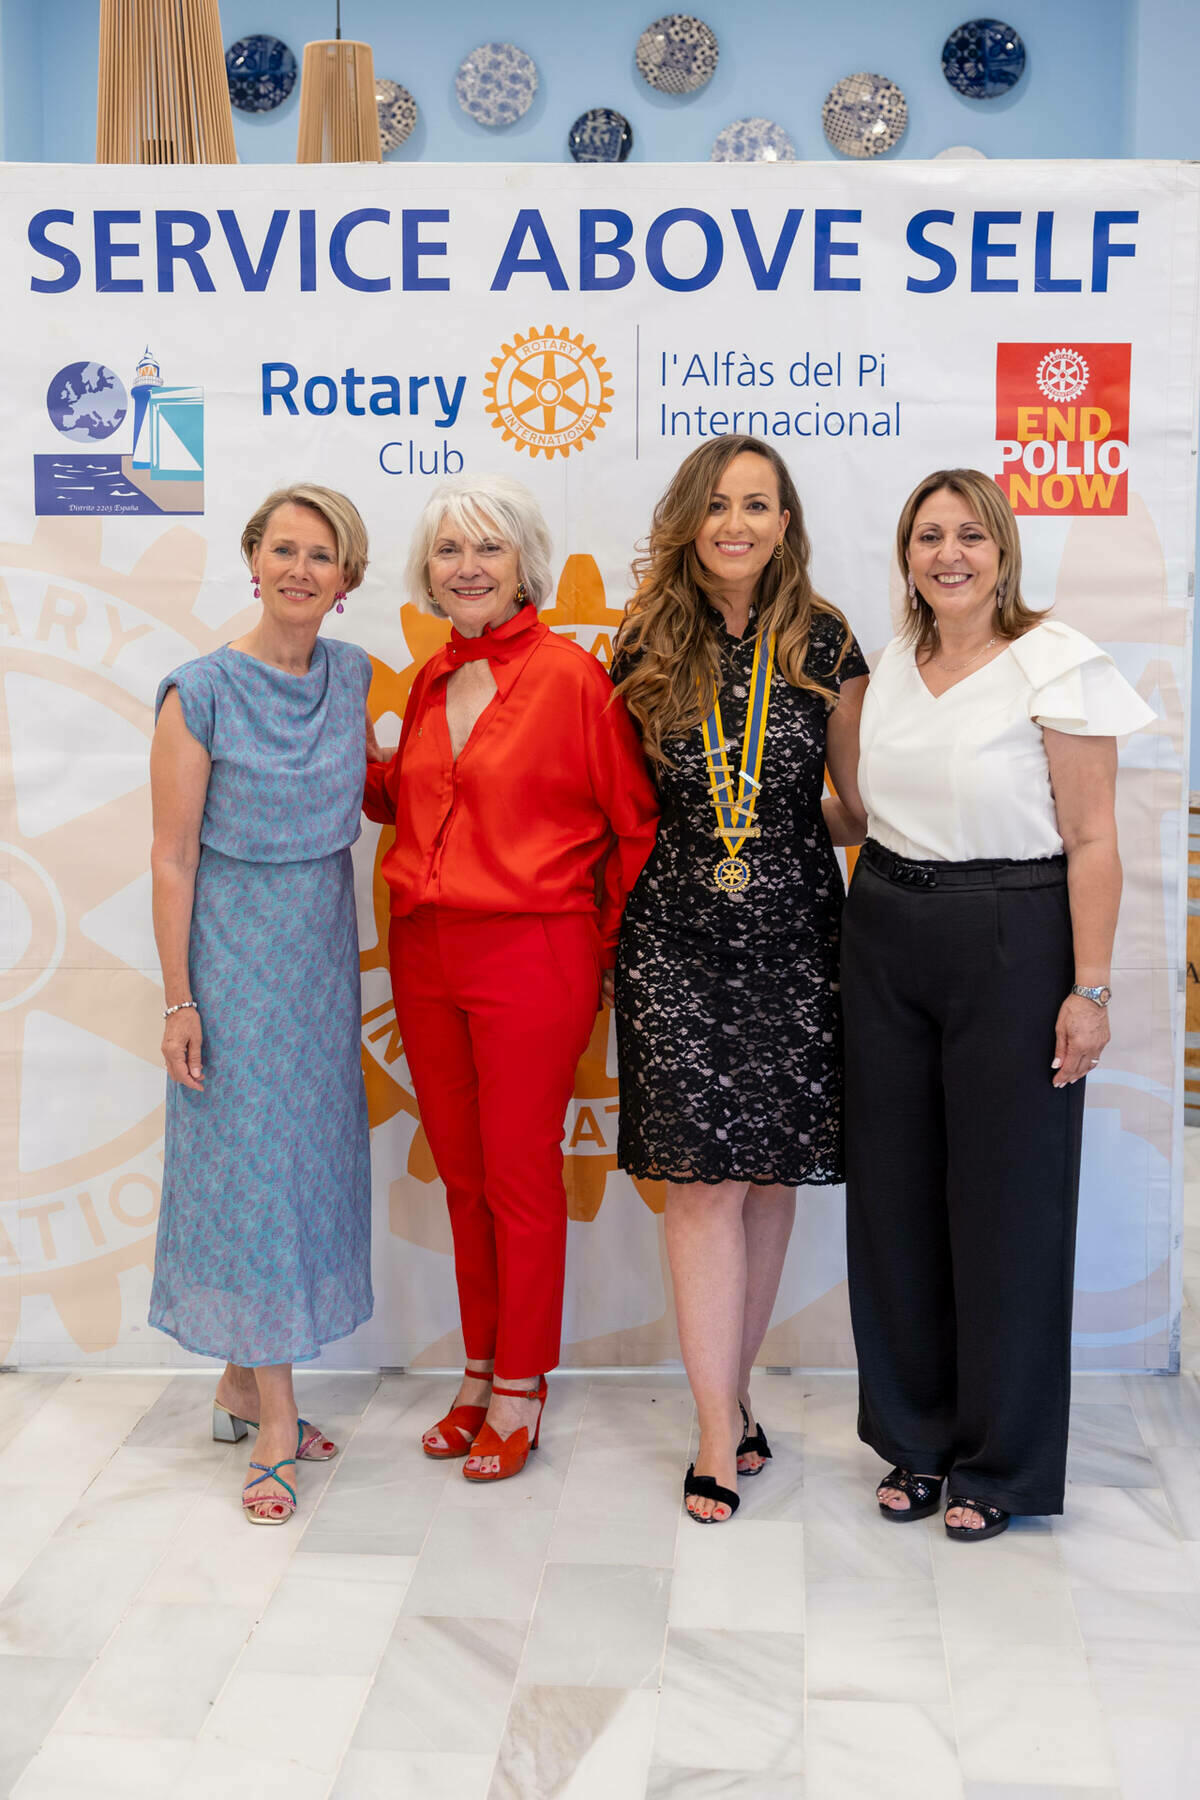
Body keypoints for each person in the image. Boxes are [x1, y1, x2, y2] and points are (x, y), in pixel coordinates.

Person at [842, 467, 1156, 1542]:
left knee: (1009, 1211)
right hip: (884, 931)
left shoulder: (1056, 661)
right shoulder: (889, 667)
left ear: (1004, 549)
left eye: (969, 534)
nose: (949, 555)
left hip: (1014, 938)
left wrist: (1090, 988)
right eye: (927, 535)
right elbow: (859, 812)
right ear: (907, 555)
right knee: (894, 1203)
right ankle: (915, 1441)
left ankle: (1001, 1462)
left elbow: (1097, 838)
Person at [363, 473, 658, 1482]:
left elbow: (632, 823)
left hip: (534, 946)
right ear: (426, 572)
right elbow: (407, 801)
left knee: (521, 1176)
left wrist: (601, 948)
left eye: (487, 548)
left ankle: (524, 1383)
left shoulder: (574, 679)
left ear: (523, 562)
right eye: (449, 551)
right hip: (426, 946)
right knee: (463, 1174)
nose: (468, 567)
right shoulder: (429, 680)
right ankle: (478, 1369)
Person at [612, 435, 869, 1523]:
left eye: (758, 505)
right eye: (718, 504)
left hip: (798, 931)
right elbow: (620, 809)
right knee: (700, 1181)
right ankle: (717, 1431)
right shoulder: (639, 644)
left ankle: (739, 1393)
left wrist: (763, 819)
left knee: (766, 1178)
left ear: (785, 524)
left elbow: (854, 812)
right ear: (689, 519)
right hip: (672, 934)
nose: (737, 523)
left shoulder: (827, 641)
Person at [149, 484, 374, 1525]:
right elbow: (170, 855)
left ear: (347, 576)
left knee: (302, 1170)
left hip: (322, 961)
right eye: (283, 549)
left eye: (320, 554)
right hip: (231, 966)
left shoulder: (354, 675)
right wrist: (179, 999)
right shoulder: (197, 692)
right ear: (253, 561)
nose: (300, 568)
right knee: (251, 1174)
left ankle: (242, 1381)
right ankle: (279, 1418)